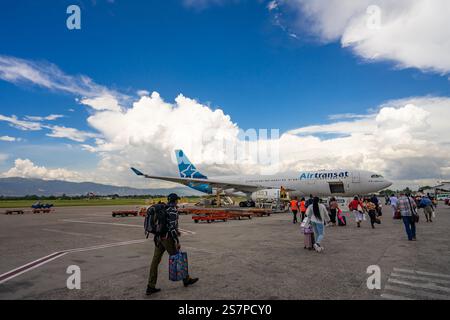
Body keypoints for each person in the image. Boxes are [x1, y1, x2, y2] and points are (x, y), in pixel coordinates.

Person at [146, 193, 198, 295]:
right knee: (178, 258)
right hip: (168, 239)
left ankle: (150, 286)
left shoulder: (163, 208)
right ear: (175, 201)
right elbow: (172, 228)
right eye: (177, 200)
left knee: (155, 262)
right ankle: (186, 280)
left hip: (159, 238)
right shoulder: (173, 210)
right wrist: (177, 241)